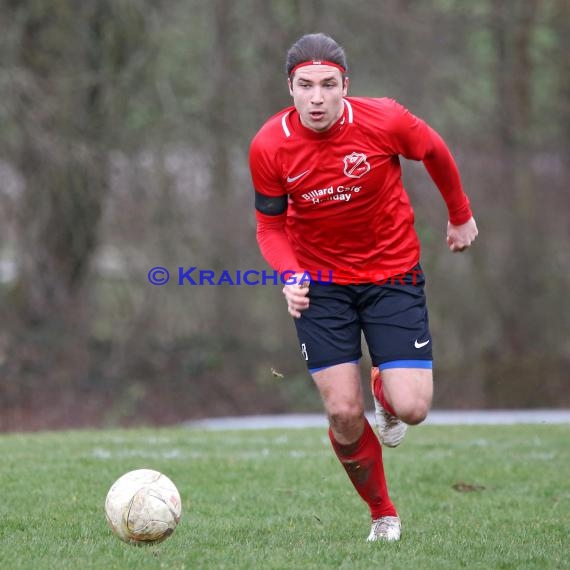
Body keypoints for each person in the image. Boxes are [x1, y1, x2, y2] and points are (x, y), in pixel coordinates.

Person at [248, 33, 478, 542]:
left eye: (328, 85)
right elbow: (270, 226)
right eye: (305, 85)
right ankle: (383, 513)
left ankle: (386, 390)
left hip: (392, 275)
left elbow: (435, 151)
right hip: (322, 286)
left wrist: (459, 215)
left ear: (344, 86)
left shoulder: (384, 119)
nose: (316, 97)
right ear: (290, 87)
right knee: (343, 412)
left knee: (413, 408)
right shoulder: (269, 146)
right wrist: (290, 275)